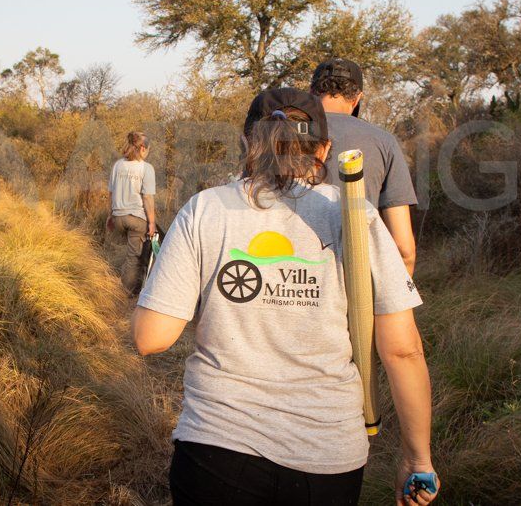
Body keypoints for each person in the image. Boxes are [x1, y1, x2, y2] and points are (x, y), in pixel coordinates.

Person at [132, 88, 439, 506]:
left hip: (216, 452)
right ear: (326, 148)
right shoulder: (355, 214)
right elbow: (403, 351)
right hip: (329, 458)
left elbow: (151, 337)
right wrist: (417, 457)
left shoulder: (205, 208)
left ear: (245, 143)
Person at [311, 59, 418, 276]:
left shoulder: (282, 137)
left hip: (291, 284)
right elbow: (404, 249)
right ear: (358, 97)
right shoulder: (384, 142)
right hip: (357, 282)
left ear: (311, 92)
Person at [107, 131, 157, 294]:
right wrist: (152, 223)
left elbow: (111, 193)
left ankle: (134, 281)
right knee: (134, 256)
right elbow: (147, 198)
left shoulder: (118, 165)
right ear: (142, 148)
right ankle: (128, 292)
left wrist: (110, 216)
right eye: (148, 148)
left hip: (118, 216)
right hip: (136, 218)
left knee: (132, 251)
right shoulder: (146, 168)